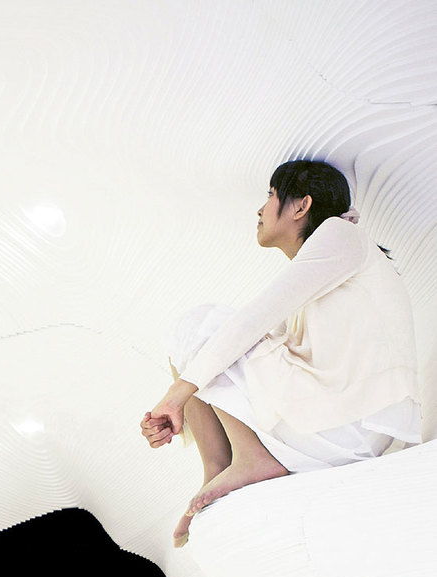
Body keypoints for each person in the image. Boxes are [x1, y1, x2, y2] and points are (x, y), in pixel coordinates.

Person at [141, 159, 421, 547]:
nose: (260, 209)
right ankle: (219, 468)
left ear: (301, 206)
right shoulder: (332, 267)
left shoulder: (341, 233)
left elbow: (251, 321)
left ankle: (249, 458)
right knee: (199, 345)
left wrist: (174, 397)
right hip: (335, 434)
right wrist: (182, 400)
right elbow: (248, 351)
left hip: (350, 428)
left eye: (271, 195)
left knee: (200, 324)